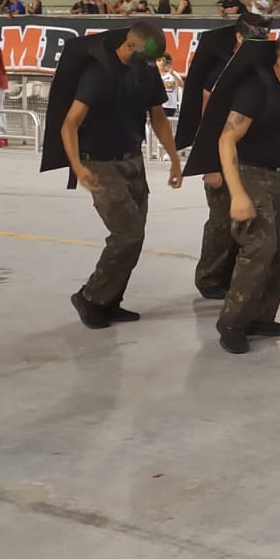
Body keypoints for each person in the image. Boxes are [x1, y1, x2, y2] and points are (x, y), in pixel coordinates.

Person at [56, 23, 182, 329]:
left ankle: (110, 301)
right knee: (128, 234)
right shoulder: (99, 73)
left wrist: (175, 159)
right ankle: (90, 297)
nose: (148, 65)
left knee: (134, 237)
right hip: (100, 163)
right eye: (143, 57)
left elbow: (158, 116)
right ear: (129, 45)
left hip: (132, 161)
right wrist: (77, 166)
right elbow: (70, 123)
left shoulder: (146, 69)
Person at [210, 33, 280, 354]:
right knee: (261, 244)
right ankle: (232, 321)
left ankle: (261, 316)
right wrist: (237, 194)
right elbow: (227, 140)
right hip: (249, 171)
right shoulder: (256, 87)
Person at [184, 14, 272, 300]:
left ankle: (233, 274)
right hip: (221, 155)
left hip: (251, 158)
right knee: (221, 222)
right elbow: (207, 121)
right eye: (254, 34)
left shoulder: (260, 69)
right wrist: (210, 166)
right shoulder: (219, 72)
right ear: (238, 36)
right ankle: (209, 277)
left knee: (245, 224)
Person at [157, 54, 182, 119]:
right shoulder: (153, 75)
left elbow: (181, 85)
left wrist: (172, 74)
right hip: (157, 105)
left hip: (169, 105)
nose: (162, 62)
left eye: (164, 60)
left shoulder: (173, 74)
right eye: (159, 60)